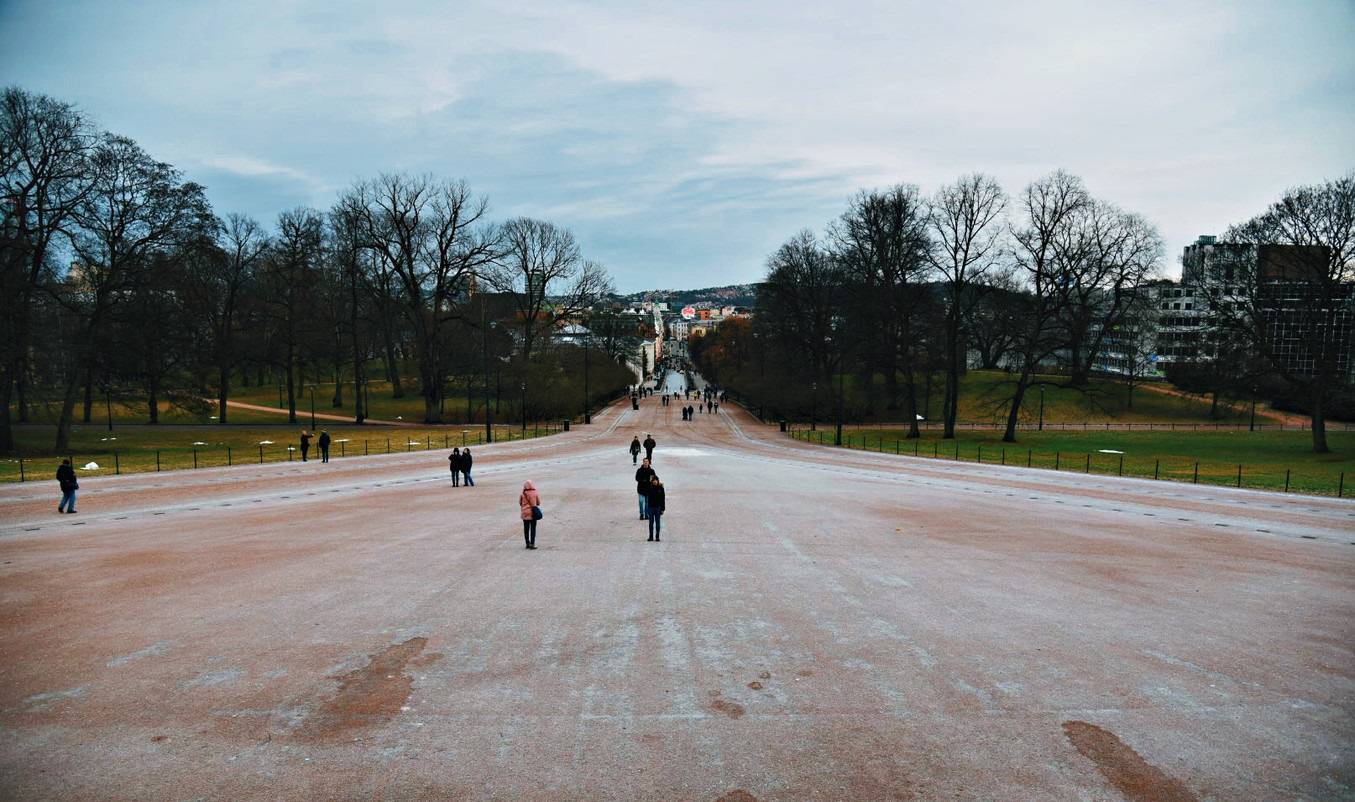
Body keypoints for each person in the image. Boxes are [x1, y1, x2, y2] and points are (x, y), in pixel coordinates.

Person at [519, 480, 541, 549]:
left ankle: (527, 543)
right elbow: (538, 503)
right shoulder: (535, 493)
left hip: (525, 513)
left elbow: (520, 503)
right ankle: (532, 544)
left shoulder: (523, 494)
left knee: (526, 529)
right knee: (533, 528)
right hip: (533, 513)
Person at [645, 475, 666, 542]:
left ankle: (657, 536)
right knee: (651, 523)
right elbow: (646, 498)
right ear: (652, 481)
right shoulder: (649, 488)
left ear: (657, 481)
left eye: (656, 480)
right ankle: (651, 536)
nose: (655, 481)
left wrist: (663, 509)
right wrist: (647, 509)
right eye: (653, 480)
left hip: (658, 508)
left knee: (658, 523)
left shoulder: (661, 488)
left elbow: (663, 499)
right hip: (650, 507)